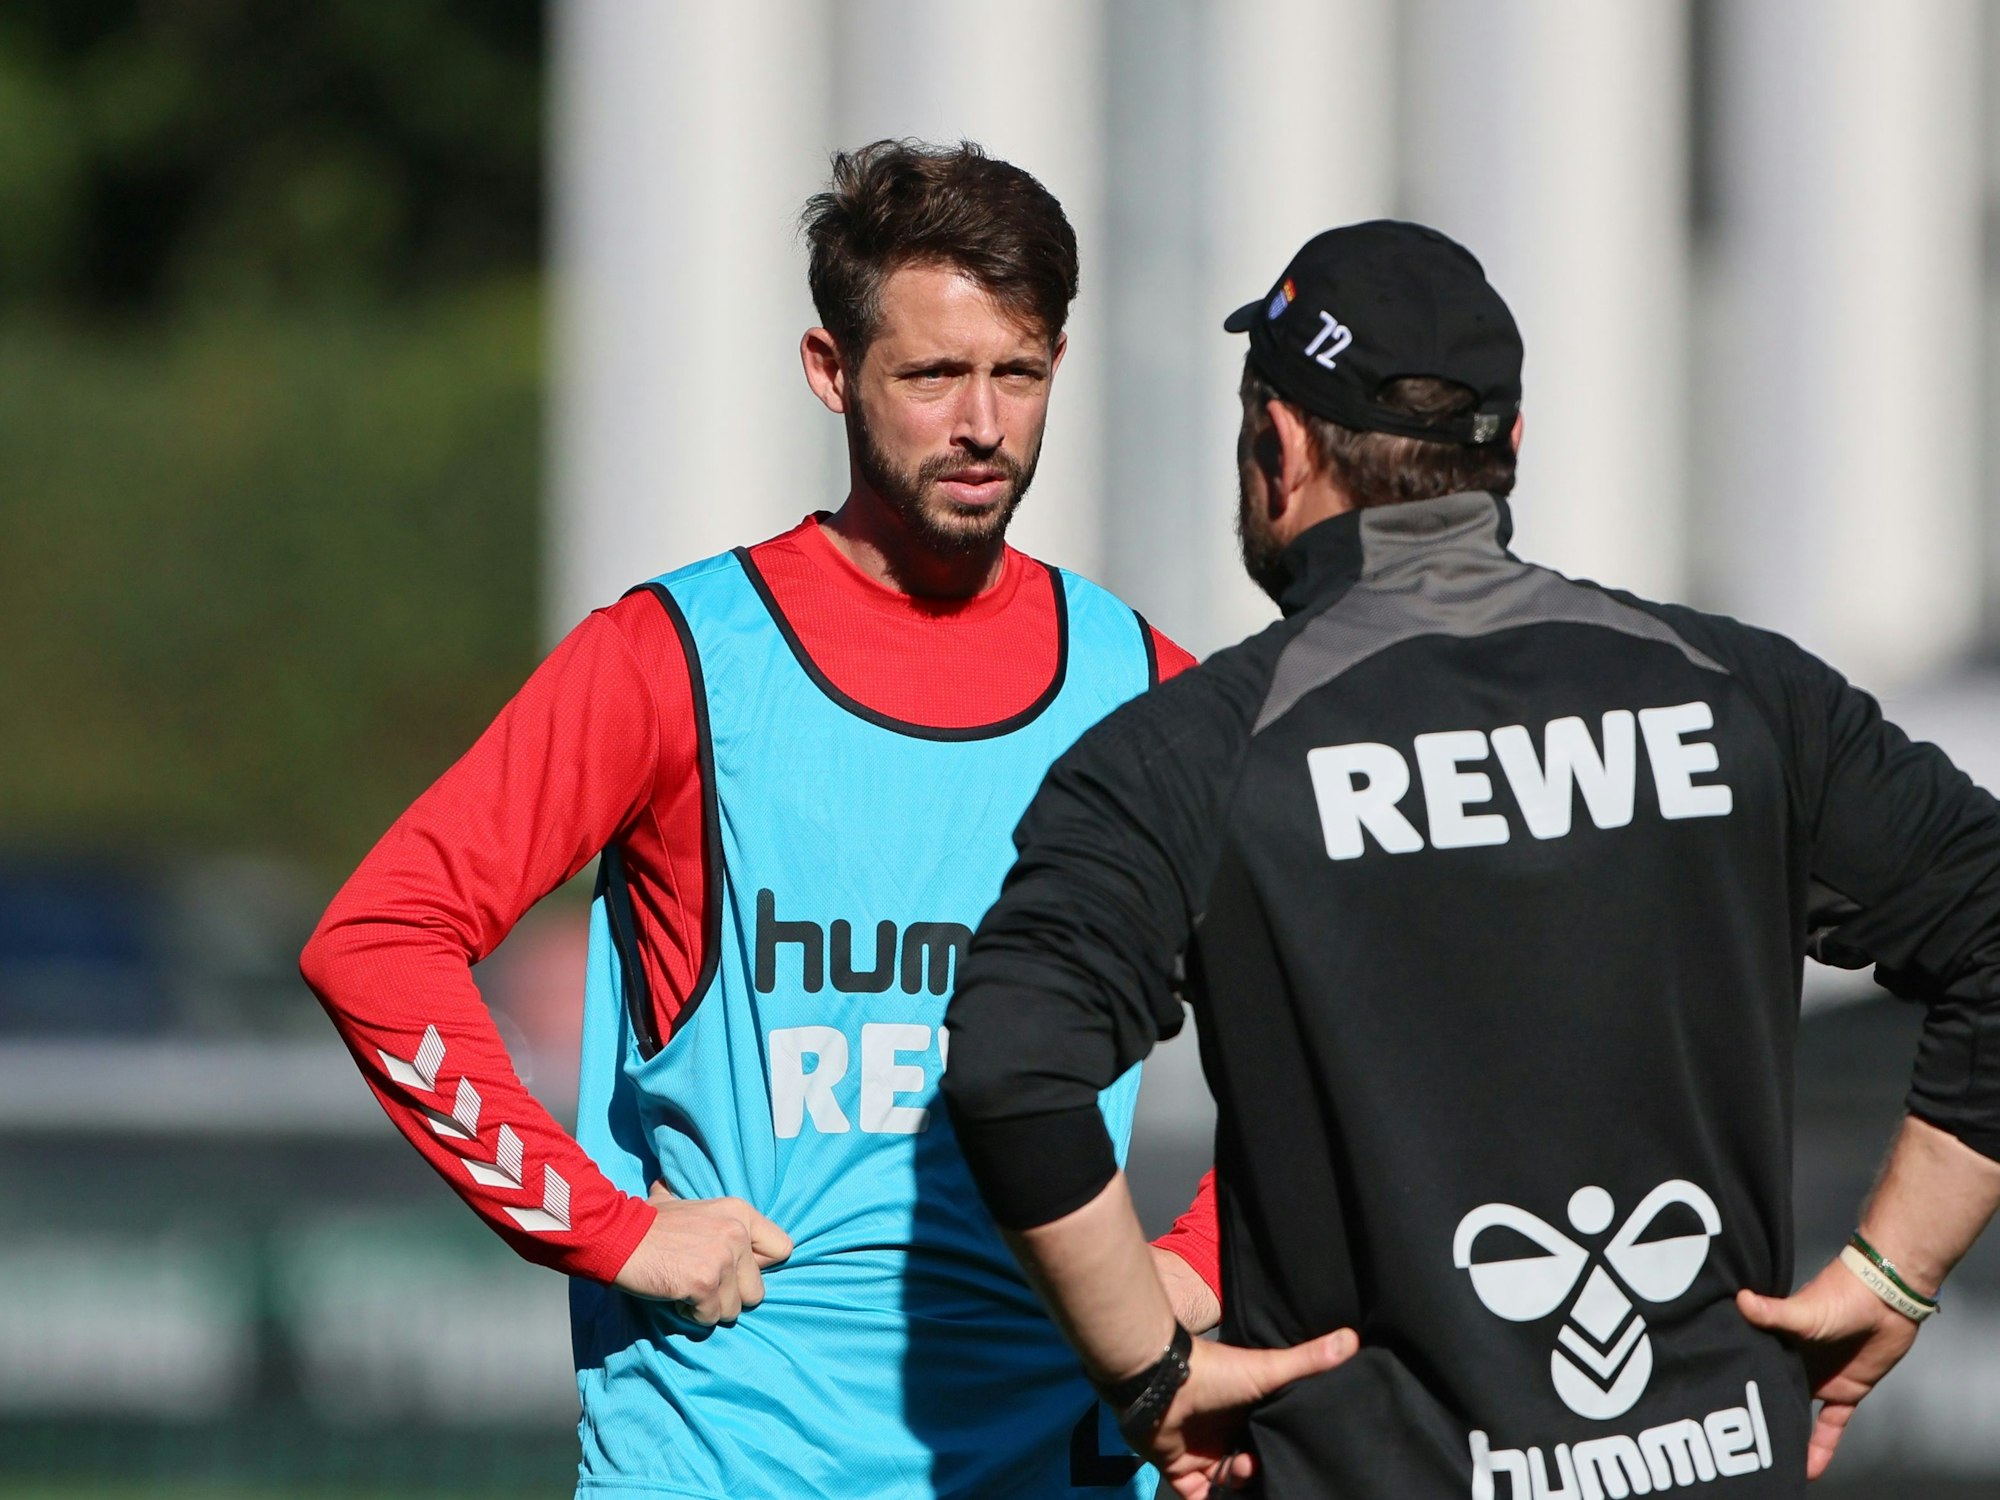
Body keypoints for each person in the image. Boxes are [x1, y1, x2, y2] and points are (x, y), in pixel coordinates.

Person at [940, 220, 2000, 1500]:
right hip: (1715, 1464)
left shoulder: (1194, 751)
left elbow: (1011, 1069)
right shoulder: (1742, 695)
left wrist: (1149, 1371)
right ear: (1504, 451)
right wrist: (1891, 1274)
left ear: (1276, 446)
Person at [301, 139, 1224, 1500]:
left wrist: (1194, 1264)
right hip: (728, 1461)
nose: (980, 422)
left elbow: (1332, 1020)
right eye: (930, 375)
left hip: (1056, 1462)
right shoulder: (674, 657)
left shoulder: (1144, 687)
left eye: (1016, 373)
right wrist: (605, 1231)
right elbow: (377, 941)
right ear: (829, 370)